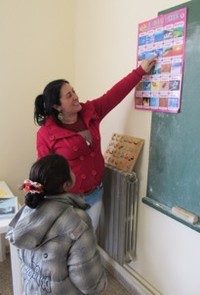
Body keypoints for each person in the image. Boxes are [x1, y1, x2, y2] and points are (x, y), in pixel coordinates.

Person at [34, 57, 157, 230]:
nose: (76, 97)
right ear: (57, 106)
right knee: (71, 246)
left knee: (90, 239)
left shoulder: (90, 111)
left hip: (95, 193)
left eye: (74, 91)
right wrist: (32, 190)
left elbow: (115, 94)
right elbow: (42, 171)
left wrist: (140, 71)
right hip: (68, 201)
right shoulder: (47, 133)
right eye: (69, 95)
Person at [6, 154, 107, 295]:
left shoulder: (27, 211)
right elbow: (88, 282)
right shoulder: (77, 221)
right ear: (67, 185)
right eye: (70, 170)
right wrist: (101, 283)